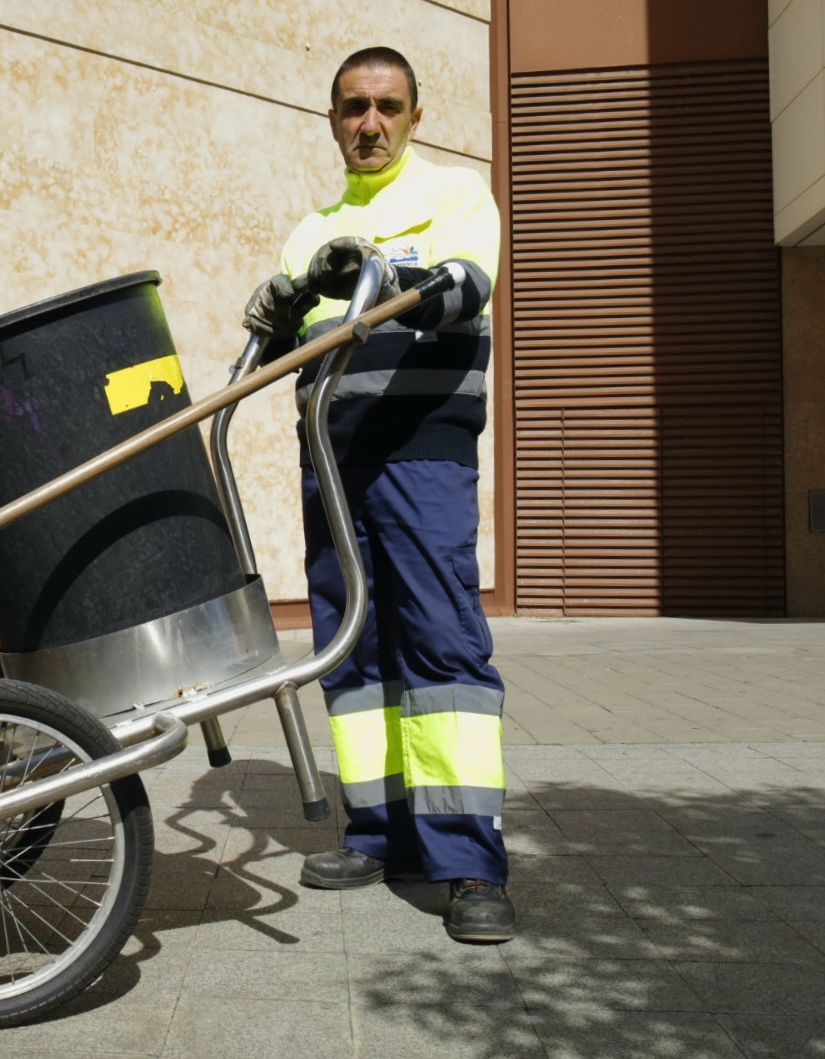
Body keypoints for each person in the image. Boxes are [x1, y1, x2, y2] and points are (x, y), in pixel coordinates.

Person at [242, 46, 513, 943]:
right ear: (331, 118)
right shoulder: (308, 227)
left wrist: (383, 276)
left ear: (414, 114)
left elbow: (468, 290)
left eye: (387, 107)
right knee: (350, 650)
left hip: (422, 454)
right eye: (353, 108)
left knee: (439, 642)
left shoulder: (454, 198)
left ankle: (466, 860)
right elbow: (290, 340)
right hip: (331, 458)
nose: (370, 124)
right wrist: (281, 301)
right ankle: (378, 831)